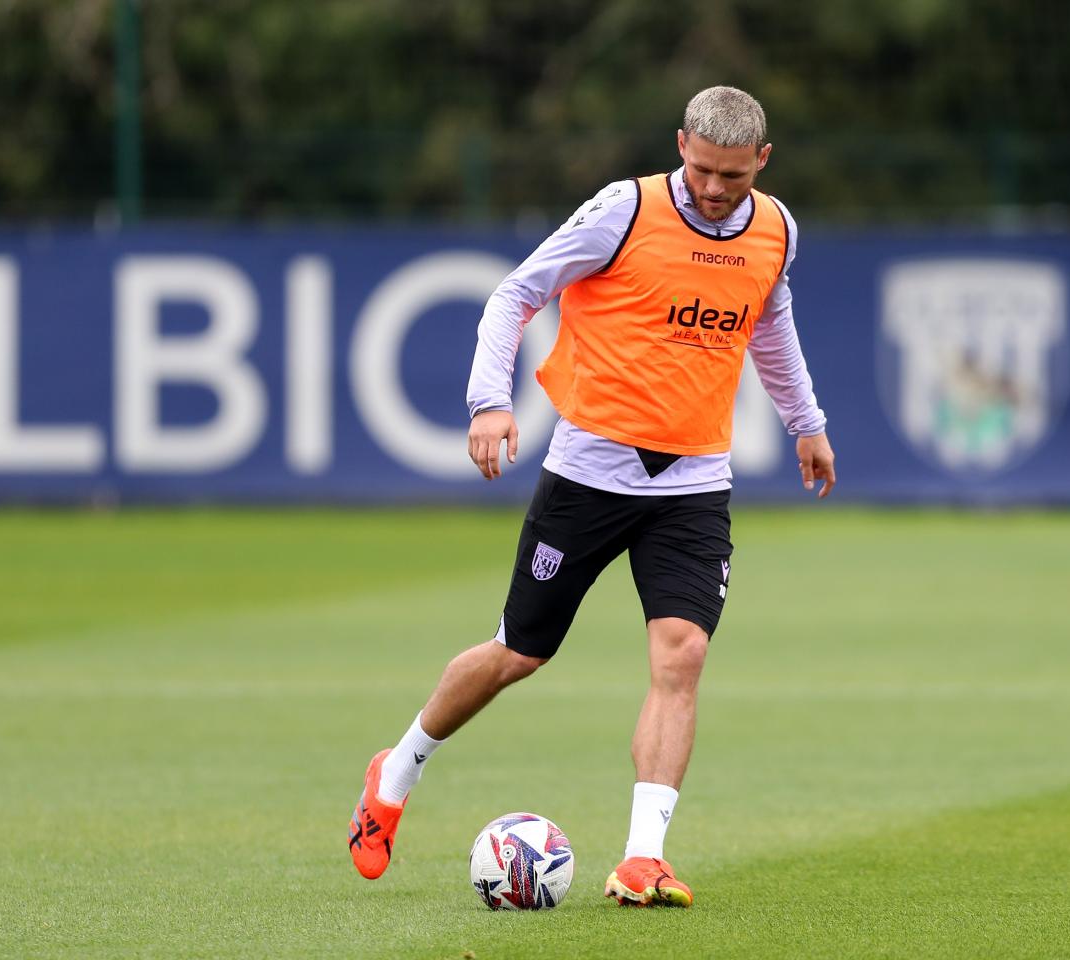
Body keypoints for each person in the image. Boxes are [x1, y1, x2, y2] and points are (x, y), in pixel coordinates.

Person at [347, 85, 835, 907]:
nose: (716, 189)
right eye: (703, 169)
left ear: (763, 160)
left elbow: (770, 324)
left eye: (733, 176)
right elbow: (514, 295)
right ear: (681, 144)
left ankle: (643, 858)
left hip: (693, 482)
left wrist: (806, 423)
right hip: (589, 473)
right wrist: (488, 401)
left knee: (683, 655)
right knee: (519, 652)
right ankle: (395, 771)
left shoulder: (777, 230)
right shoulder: (624, 210)